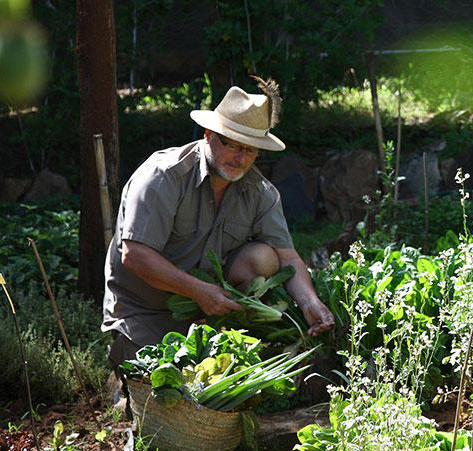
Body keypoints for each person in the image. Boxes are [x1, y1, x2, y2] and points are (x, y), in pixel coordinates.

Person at [102, 77, 334, 372]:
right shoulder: (163, 177)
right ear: (209, 135)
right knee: (163, 385)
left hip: (209, 310)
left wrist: (310, 302)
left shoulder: (260, 192)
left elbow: (287, 258)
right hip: (144, 310)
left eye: (251, 150)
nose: (240, 158)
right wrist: (199, 291)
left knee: (265, 257)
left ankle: (224, 330)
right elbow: (135, 256)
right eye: (234, 145)